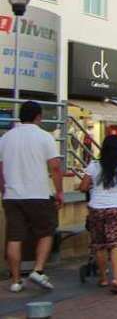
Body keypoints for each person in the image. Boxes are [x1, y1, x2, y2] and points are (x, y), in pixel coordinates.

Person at [0, 101, 63, 293]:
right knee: (46, 231)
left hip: (12, 195)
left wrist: (4, 190)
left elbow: (0, 169)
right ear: (39, 116)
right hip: (39, 194)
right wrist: (59, 191)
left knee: (14, 237)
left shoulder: (5, 138)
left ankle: (16, 281)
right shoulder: (45, 137)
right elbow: (54, 167)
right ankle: (38, 269)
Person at [78, 135, 117, 294]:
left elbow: (84, 186)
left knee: (100, 244)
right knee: (116, 244)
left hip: (96, 209)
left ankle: (103, 278)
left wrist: (90, 186)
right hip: (116, 208)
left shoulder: (94, 164)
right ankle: (116, 278)